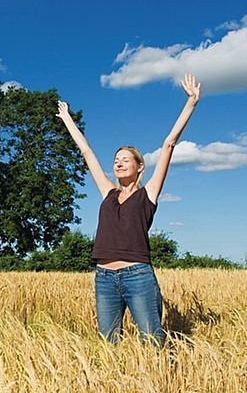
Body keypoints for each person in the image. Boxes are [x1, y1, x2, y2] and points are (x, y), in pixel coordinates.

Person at [56, 74, 201, 346]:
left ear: (139, 167)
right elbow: (87, 152)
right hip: (104, 278)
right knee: (108, 345)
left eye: (125, 160)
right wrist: (67, 121)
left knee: (152, 342)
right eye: (116, 160)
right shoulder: (108, 193)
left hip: (138, 276)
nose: (119, 164)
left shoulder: (149, 194)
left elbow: (169, 143)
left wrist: (191, 103)